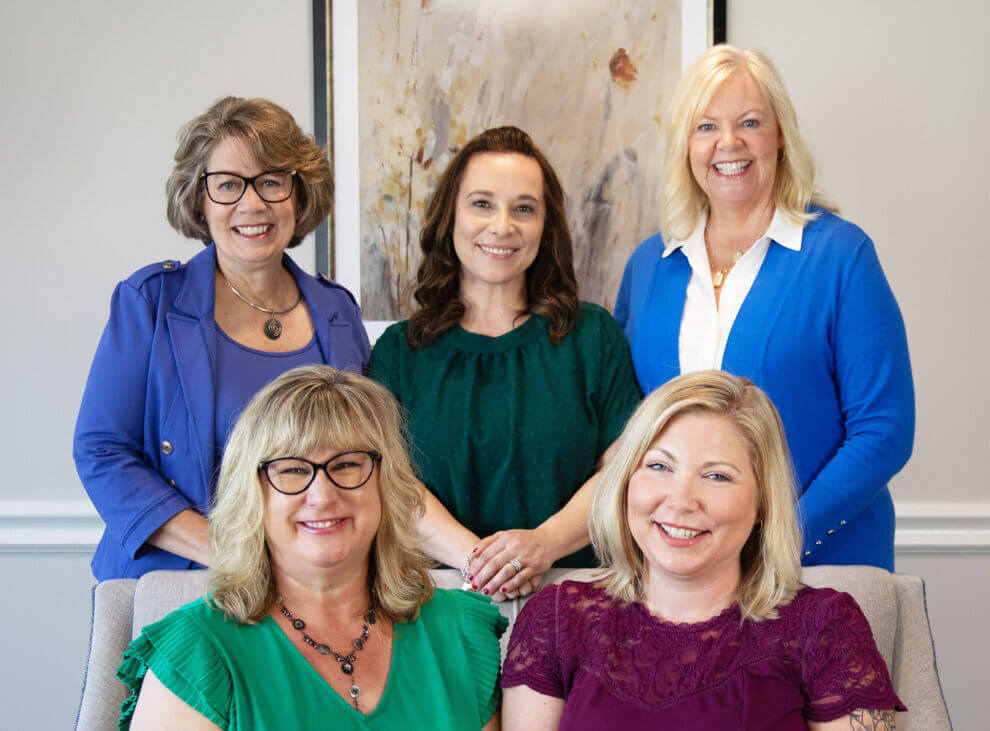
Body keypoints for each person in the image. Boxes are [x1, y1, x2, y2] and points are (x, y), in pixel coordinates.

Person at [614, 45, 914, 569]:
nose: (728, 143)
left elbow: (884, 431)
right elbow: (625, 425)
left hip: (820, 565)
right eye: (706, 127)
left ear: (780, 135)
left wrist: (779, 540)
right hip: (679, 571)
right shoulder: (649, 266)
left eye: (750, 122)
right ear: (685, 145)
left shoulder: (841, 257)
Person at [502, 371, 905, 730]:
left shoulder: (824, 626)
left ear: (763, 502)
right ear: (626, 480)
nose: (681, 500)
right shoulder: (555, 619)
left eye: (716, 476)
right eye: (659, 466)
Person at [74, 98, 370, 580]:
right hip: (180, 580)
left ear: (299, 194)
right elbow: (101, 451)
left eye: (271, 181)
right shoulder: (150, 303)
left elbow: (359, 462)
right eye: (228, 185)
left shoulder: (338, 312)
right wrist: (233, 554)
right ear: (200, 199)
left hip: (313, 585)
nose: (252, 204)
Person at [117, 366, 506, 730]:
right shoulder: (198, 653)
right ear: (252, 495)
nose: (322, 495)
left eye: (347, 465)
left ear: (387, 483)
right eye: (292, 470)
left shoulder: (461, 632)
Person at [368, 126, 640, 599]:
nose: (502, 225)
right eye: (482, 203)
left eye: (524, 209)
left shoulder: (593, 338)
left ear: (545, 227)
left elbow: (625, 469)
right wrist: (484, 563)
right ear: (449, 216)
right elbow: (388, 482)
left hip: (575, 601)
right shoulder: (399, 352)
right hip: (434, 604)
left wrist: (544, 545)